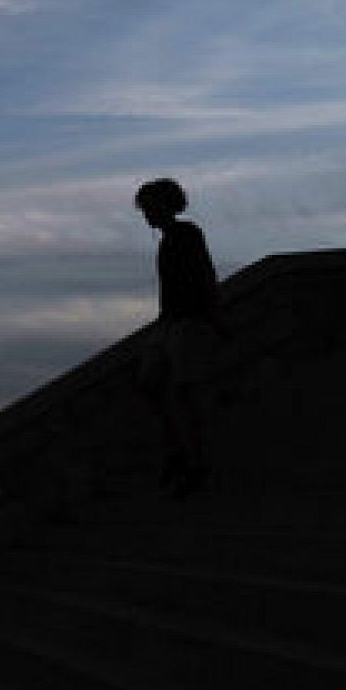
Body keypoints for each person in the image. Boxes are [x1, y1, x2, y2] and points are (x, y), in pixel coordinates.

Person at [134, 178, 223, 498]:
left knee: (188, 396)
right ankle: (178, 452)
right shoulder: (169, 239)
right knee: (149, 383)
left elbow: (204, 275)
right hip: (171, 321)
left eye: (149, 207)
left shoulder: (187, 234)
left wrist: (213, 317)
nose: (146, 215)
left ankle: (198, 465)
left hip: (190, 321)